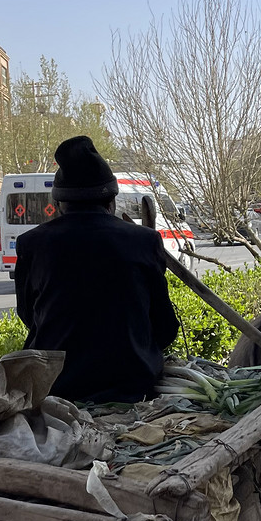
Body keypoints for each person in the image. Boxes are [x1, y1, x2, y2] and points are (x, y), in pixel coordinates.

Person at [14, 136, 179, 403]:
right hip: (133, 386)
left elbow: (29, 315)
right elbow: (165, 327)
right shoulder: (144, 241)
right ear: (111, 201)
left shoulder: (31, 244)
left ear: (58, 205)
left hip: (57, 388)